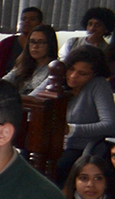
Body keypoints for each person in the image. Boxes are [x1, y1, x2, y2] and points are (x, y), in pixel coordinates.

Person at [39, 44, 115, 184]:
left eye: (82, 73)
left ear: (94, 74)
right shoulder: (58, 76)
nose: (73, 76)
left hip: (81, 148)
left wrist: (71, 129)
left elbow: (110, 125)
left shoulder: (98, 85)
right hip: (49, 143)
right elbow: (31, 100)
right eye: (71, 69)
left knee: (56, 168)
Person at [0, 6, 44, 78]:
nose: (26, 22)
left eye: (32, 19)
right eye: (23, 19)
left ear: (40, 24)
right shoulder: (5, 44)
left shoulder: (44, 46)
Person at [3, 23, 58, 95]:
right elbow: (4, 82)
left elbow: (36, 95)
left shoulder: (55, 68)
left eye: (40, 42)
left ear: (50, 45)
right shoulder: (23, 63)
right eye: (32, 41)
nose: (35, 46)